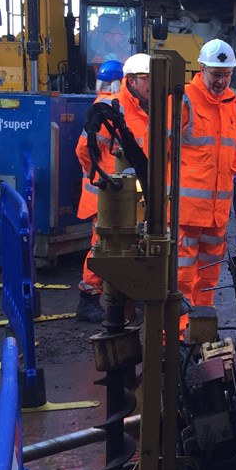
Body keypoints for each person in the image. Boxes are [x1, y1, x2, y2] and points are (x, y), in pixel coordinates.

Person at [74, 53, 152, 323]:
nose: (152, 84)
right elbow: (85, 150)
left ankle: (127, 296)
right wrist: (104, 179)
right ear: (130, 81)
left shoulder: (146, 108)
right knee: (104, 245)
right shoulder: (111, 107)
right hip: (109, 194)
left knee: (131, 243)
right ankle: (88, 297)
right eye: (146, 79)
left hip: (133, 194)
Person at [176, 38, 236, 335]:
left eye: (226, 75)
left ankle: (201, 331)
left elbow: (234, 152)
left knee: (209, 276)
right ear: (201, 69)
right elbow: (161, 148)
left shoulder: (233, 105)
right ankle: (175, 335)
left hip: (217, 212)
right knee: (181, 278)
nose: (221, 81)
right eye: (216, 75)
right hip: (187, 213)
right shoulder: (184, 99)